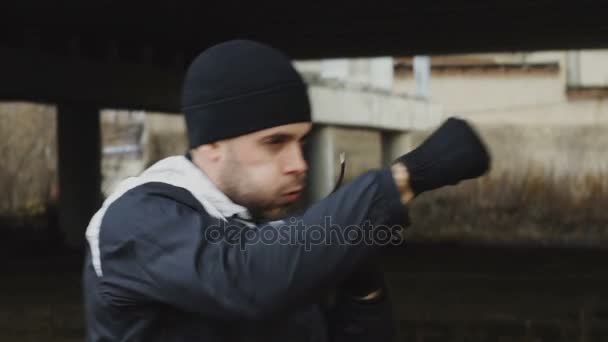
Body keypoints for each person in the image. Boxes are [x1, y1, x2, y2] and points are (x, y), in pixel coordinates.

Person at [83, 40, 490, 342]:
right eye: (274, 143)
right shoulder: (135, 218)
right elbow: (247, 280)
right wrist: (403, 179)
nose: (299, 164)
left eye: (302, 142)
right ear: (211, 144)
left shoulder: (261, 229)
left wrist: (361, 288)